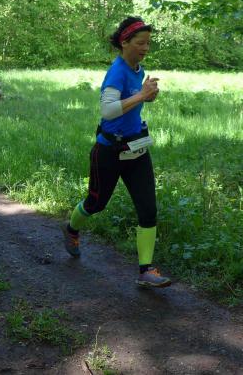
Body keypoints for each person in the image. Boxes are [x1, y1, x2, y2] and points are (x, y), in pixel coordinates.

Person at [61, 16, 171, 288]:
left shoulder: (138, 70)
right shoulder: (117, 72)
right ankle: (71, 229)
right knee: (96, 203)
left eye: (148, 43)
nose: (145, 48)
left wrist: (148, 95)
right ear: (125, 43)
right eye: (140, 43)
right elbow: (108, 110)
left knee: (148, 209)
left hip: (136, 148)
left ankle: (146, 270)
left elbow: (131, 103)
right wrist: (141, 96)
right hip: (109, 151)